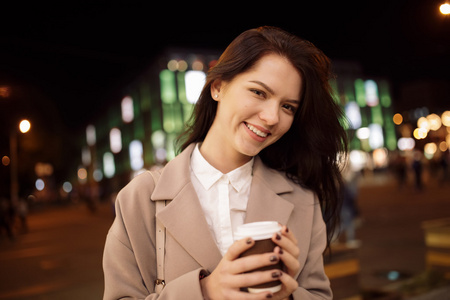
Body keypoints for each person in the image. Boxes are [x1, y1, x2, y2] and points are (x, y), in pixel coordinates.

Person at [103, 26, 347, 300]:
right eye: (259, 92)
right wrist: (207, 291)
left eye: (288, 106)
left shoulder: (303, 201)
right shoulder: (141, 198)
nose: (271, 117)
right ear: (218, 87)